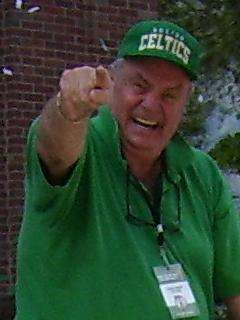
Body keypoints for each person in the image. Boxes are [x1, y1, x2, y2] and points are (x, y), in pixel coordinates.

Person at [15, 20, 240, 320]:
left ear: (185, 103)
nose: (151, 105)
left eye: (170, 95)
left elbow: (235, 289)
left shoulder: (203, 174)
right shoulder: (81, 147)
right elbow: (54, 150)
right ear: (112, 81)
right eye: (140, 86)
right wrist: (68, 109)